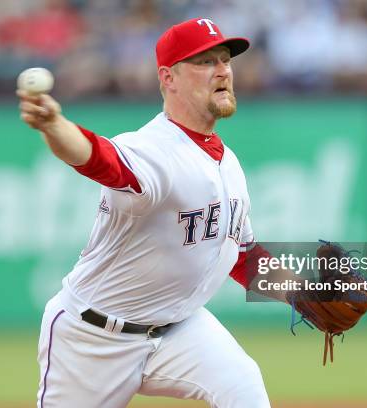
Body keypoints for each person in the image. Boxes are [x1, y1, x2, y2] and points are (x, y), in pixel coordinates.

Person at [18, 17, 276, 408]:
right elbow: (99, 159)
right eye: (205, 62)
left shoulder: (228, 163)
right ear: (168, 78)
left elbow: (241, 255)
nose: (222, 70)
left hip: (180, 331)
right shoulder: (152, 150)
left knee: (244, 389)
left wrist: (308, 290)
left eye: (225, 59)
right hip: (92, 339)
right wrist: (55, 126)